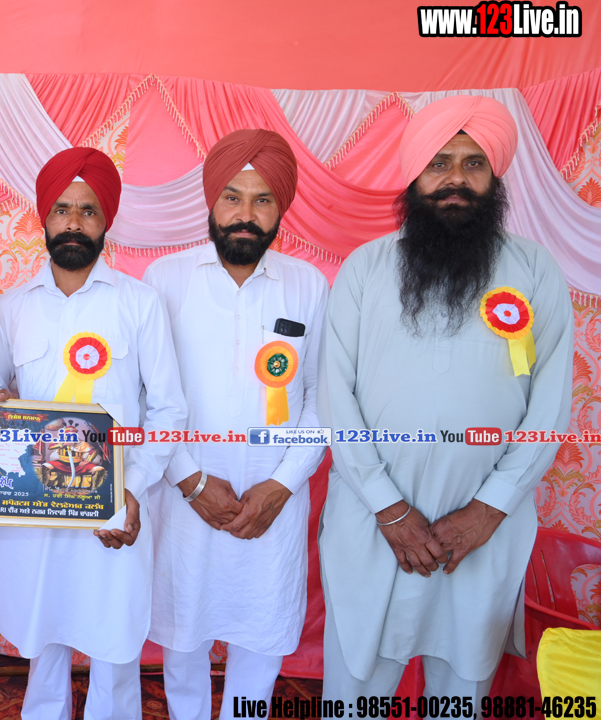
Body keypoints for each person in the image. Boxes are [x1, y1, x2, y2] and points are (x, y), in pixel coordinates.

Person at [318, 95, 575, 699]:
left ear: (495, 177)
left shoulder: (535, 270)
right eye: (439, 162)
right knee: (352, 693)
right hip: (373, 523)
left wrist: (489, 508)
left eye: (473, 163)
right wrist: (388, 506)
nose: (456, 178)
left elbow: (549, 406)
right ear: (414, 174)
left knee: (461, 695)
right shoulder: (365, 268)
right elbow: (335, 395)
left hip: (483, 532)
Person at [0, 147, 187, 720]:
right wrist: (1, 408)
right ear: (44, 218)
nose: (74, 222)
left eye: (88, 211)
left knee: (113, 645)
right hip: (35, 509)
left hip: (113, 508)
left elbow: (169, 409)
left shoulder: (140, 304)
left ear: (106, 221)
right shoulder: (11, 308)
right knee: (42, 638)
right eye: (63, 209)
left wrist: (132, 488)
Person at [142, 129, 327, 713]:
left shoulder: (308, 284)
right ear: (211, 201)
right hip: (185, 497)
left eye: (262, 199)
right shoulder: (165, 280)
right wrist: (190, 480)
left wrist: (282, 484)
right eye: (232, 197)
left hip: (274, 500)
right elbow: (149, 397)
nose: (246, 214)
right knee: (184, 641)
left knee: (260, 640)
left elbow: (321, 398)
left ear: (281, 207)